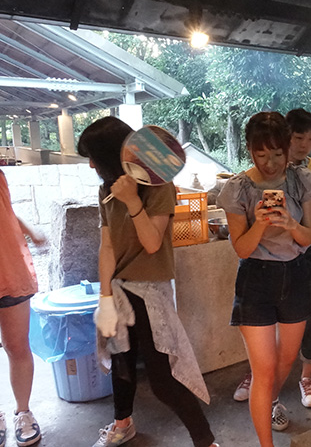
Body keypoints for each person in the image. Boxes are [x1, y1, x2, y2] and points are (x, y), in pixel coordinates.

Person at [78, 117, 218, 447]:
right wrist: (105, 297)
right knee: (121, 362)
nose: (91, 165)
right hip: (119, 289)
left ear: (110, 155)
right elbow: (107, 246)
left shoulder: (158, 185)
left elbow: (153, 242)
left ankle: (206, 441)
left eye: (93, 158)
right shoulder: (106, 189)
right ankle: (122, 423)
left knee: (163, 380)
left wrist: (132, 201)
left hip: (150, 292)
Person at [217, 112, 311, 446]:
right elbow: (242, 249)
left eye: (278, 154)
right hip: (256, 279)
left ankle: (271, 400)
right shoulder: (237, 188)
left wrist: (290, 224)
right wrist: (260, 224)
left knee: (286, 360)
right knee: (263, 370)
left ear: (287, 149)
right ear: (249, 150)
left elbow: (308, 238)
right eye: (261, 154)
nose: (271, 163)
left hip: (296, 274)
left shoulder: (302, 180)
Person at [0, 169, 44, 447]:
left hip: (9, 268)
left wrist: (30, 232)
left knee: (17, 346)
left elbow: (6, 213)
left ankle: (23, 412)